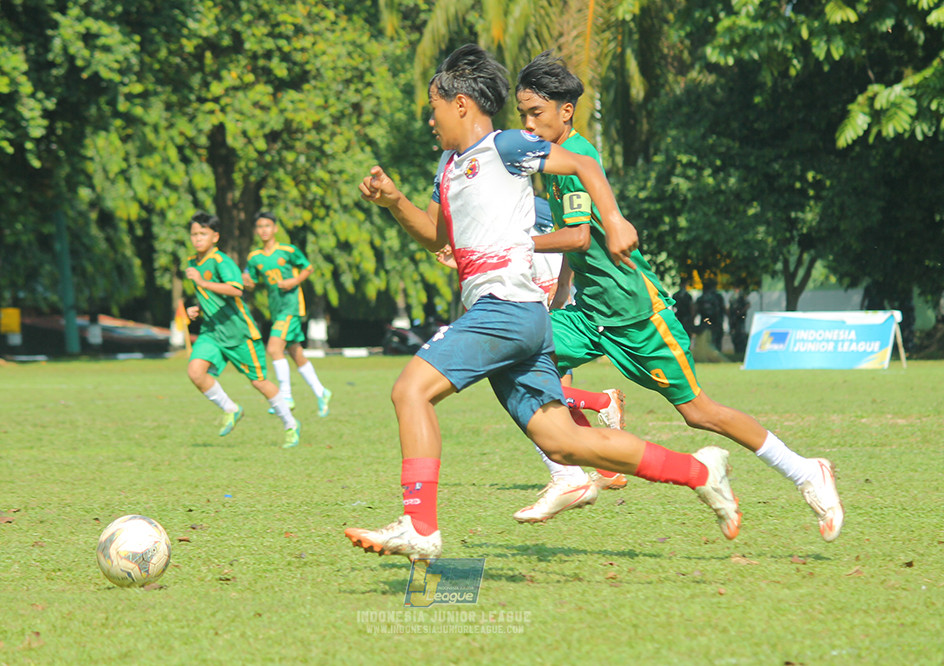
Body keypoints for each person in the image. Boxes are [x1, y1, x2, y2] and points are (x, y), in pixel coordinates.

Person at [345, 44, 741, 562]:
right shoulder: (448, 165)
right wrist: (395, 202)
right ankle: (700, 470)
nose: (429, 119)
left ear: (460, 103)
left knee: (410, 391)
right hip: (521, 318)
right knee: (565, 443)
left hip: (506, 309)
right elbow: (436, 235)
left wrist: (614, 220)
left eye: (433, 106)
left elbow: (583, 164)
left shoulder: (506, 145)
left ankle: (419, 526)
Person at [515, 51, 843, 541]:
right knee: (520, 354)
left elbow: (578, 236)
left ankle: (805, 470)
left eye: (535, 113)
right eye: (521, 114)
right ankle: (574, 473)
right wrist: (561, 291)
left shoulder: (573, 159)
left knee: (699, 413)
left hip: (635, 315)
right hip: (590, 314)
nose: (527, 124)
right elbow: (579, 241)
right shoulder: (554, 159)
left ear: (566, 111)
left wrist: (511, 245)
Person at [437, 198, 629, 523]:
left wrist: (464, 261)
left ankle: (601, 405)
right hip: (553, 320)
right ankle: (608, 470)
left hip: (537, 326)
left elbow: (510, 278)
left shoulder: (530, 246)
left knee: (536, 404)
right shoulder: (552, 244)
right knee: (557, 409)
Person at [184, 211, 302, 448]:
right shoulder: (192, 263)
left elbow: (236, 289)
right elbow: (208, 296)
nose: (197, 238)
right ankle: (231, 408)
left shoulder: (221, 261)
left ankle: (290, 424)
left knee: (259, 382)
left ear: (215, 237)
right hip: (212, 332)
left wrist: (203, 282)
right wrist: (196, 308)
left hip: (239, 333)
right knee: (195, 372)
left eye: (203, 234)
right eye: (194, 234)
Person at [243, 211, 332, 417]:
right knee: (295, 352)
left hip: (291, 307)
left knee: (274, 348)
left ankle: (285, 396)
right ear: (256, 231)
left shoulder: (288, 251)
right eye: (260, 227)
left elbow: (308, 268)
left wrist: (294, 281)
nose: (264, 230)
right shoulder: (254, 257)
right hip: (276, 309)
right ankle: (322, 392)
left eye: (267, 226)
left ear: (275, 229)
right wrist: (245, 281)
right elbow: (252, 282)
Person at [696, 277, 726, 351]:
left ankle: (706, 352)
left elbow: (696, 310)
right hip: (717, 321)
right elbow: (723, 308)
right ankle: (717, 353)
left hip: (705, 321)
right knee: (717, 340)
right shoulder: (718, 297)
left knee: (705, 339)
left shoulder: (701, 298)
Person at [728, 286, 751, 357]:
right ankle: (737, 350)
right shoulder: (732, 296)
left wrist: (741, 312)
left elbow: (748, 304)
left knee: (740, 335)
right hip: (733, 319)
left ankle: (741, 351)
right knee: (734, 335)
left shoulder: (741, 295)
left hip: (739, 319)